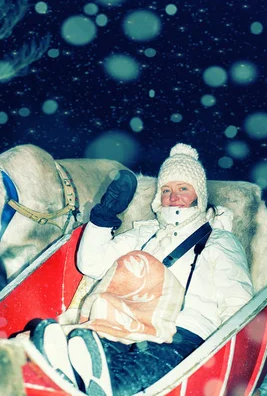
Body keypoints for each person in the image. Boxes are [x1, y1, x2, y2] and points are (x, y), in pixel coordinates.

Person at [29, 143, 254, 396]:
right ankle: (69, 370)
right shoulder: (144, 233)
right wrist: (103, 218)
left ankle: (91, 383)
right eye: (166, 189)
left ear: (199, 195)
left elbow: (237, 301)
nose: (173, 196)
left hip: (182, 331)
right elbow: (91, 264)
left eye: (183, 188)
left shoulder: (219, 240)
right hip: (126, 324)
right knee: (93, 350)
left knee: (138, 370)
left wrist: (224, 355)